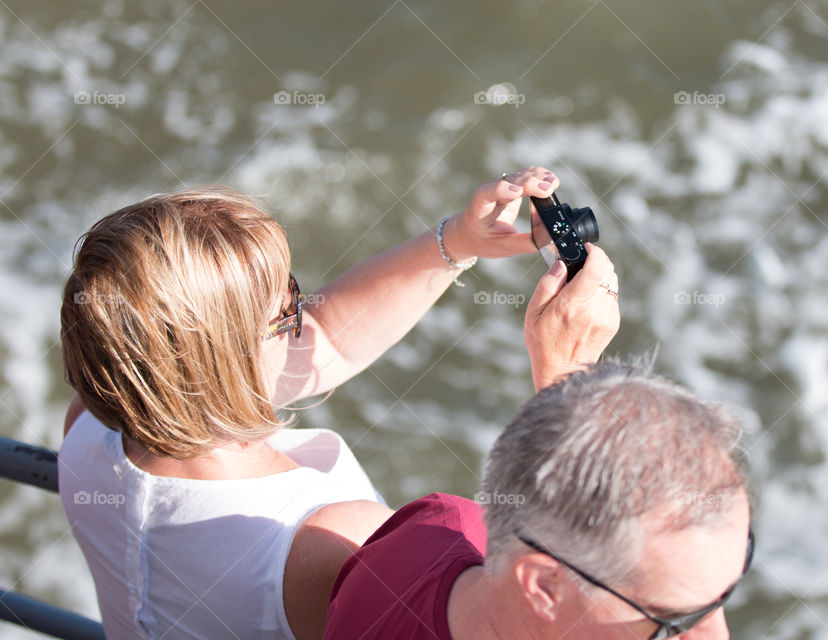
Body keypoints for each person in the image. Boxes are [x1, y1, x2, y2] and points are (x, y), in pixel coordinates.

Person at [57, 166, 620, 639]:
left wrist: (457, 242)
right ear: (230, 364)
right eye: (285, 313)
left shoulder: (88, 427)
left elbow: (325, 338)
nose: (302, 314)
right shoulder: (328, 542)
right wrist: (567, 377)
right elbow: (528, 619)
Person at [320, 360, 752, 640]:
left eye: (726, 591)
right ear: (544, 587)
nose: (720, 636)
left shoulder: (439, 526)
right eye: (673, 624)